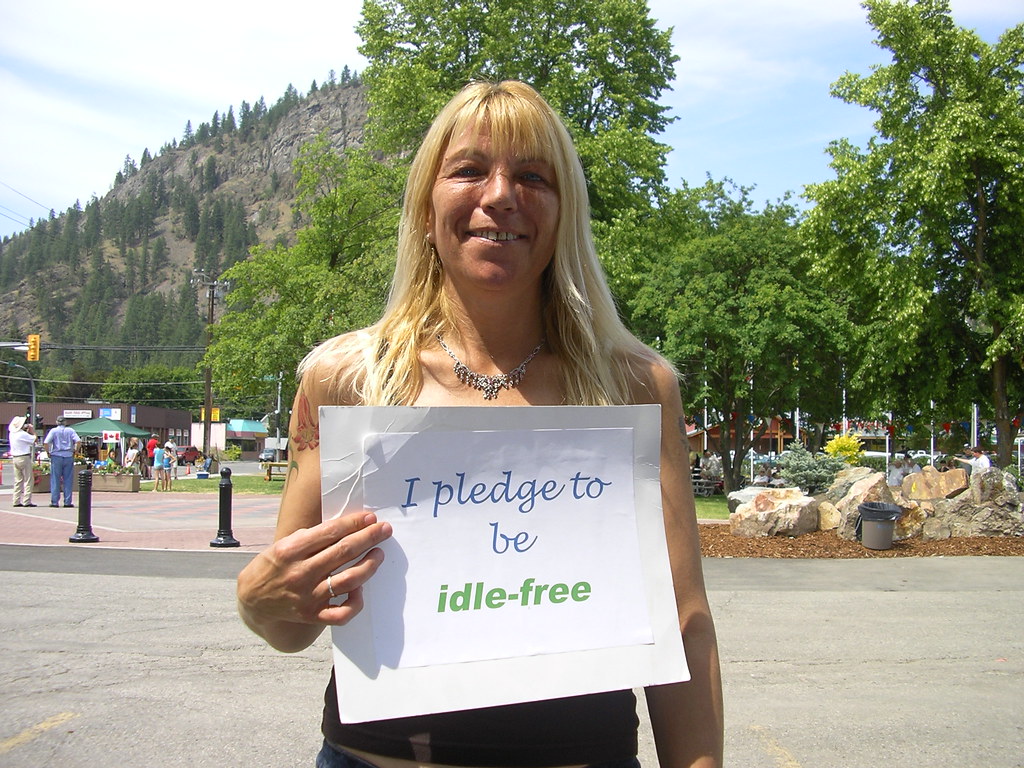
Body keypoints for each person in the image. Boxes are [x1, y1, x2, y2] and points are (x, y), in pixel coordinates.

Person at [236, 80, 723, 768]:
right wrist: (259, 604)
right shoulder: (346, 379)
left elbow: (684, 622)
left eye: (532, 176)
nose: (500, 195)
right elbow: (294, 623)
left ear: (565, 212)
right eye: (468, 169)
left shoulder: (635, 388)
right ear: (426, 207)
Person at [43, 416, 81, 507]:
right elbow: (78, 441)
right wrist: (76, 451)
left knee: (55, 479)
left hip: (56, 456)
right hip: (68, 455)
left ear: (57, 422)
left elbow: (46, 442)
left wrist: (48, 452)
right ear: (65, 422)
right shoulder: (70, 430)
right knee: (68, 479)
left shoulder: (53, 431)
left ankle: (54, 502)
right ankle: (67, 502)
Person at [9, 416, 37, 507]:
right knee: (28, 479)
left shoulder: (12, 434)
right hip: (24, 457)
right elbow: (34, 439)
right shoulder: (22, 434)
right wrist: (32, 431)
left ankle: (16, 500)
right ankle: (27, 501)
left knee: (18, 480)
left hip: (15, 457)